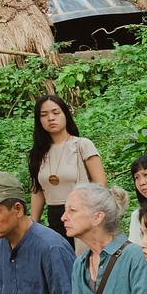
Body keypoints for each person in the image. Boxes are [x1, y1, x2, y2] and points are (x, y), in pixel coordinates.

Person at [26, 95, 105, 233]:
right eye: (44, 115)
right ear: (39, 120)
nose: (51, 118)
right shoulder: (38, 153)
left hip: (82, 215)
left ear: (66, 115)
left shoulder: (82, 145)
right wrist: (33, 226)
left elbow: (100, 184)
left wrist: (95, 214)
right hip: (54, 218)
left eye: (56, 113)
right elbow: (37, 191)